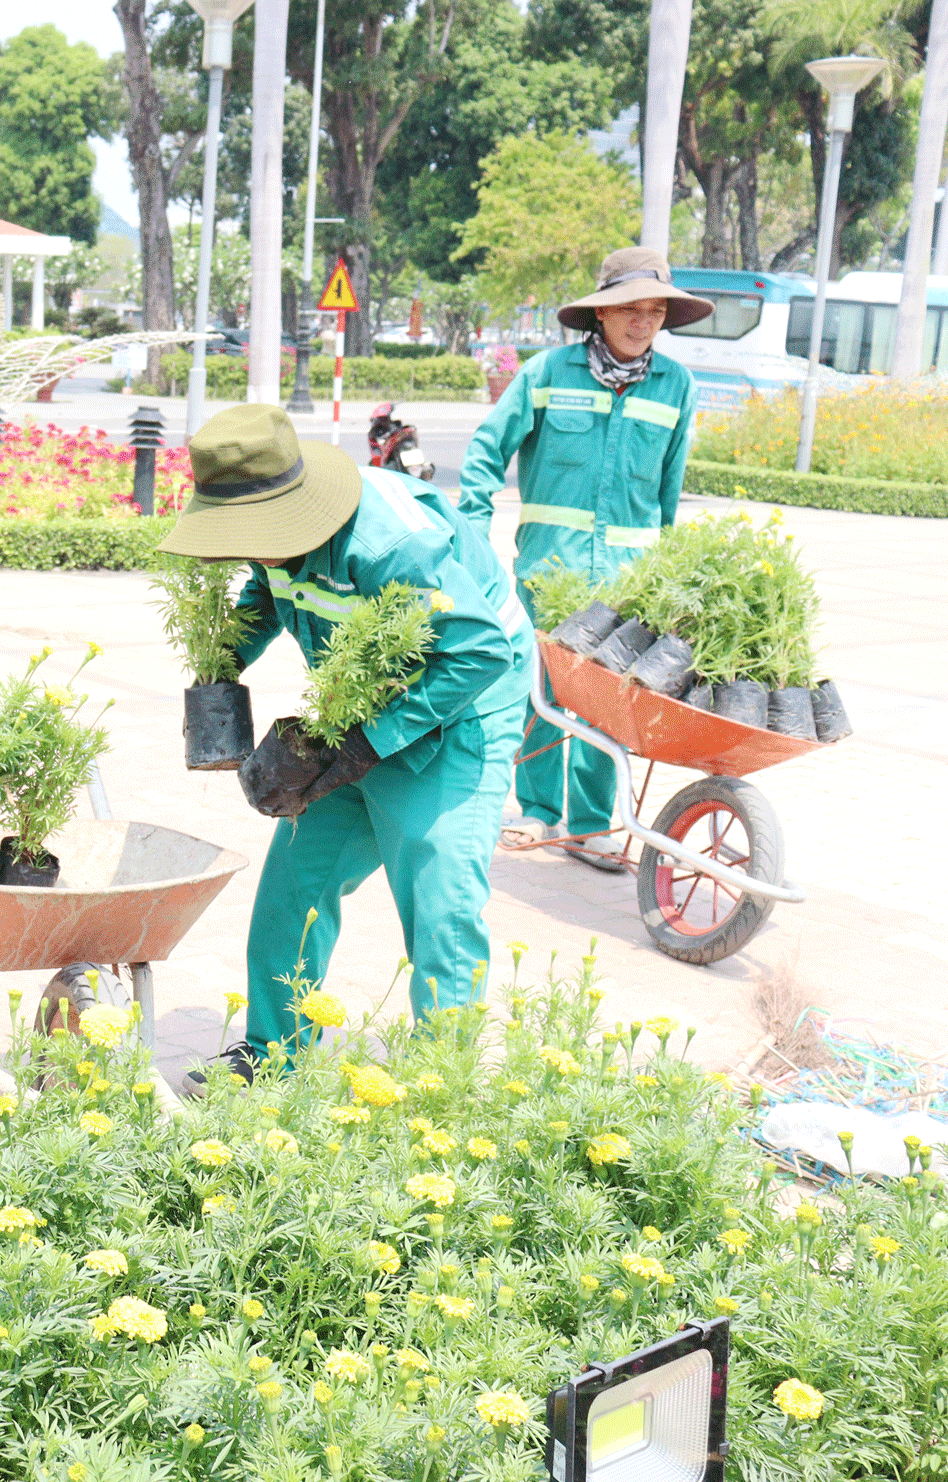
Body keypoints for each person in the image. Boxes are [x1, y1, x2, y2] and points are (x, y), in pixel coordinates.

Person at [163, 405, 531, 1078]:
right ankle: (274, 1054)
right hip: (356, 700)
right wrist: (221, 660)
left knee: (438, 886)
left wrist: (367, 745)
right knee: (294, 884)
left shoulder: (392, 544)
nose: (246, 545)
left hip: (464, 701)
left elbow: (481, 652)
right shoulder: (277, 540)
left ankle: (440, 1085)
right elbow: (270, 594)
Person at [457, 247, 705, 871]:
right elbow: (486, 451)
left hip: (629, 578)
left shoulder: (678, 387)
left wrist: (670, 574)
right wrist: (473, 536)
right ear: (601, 314)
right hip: (549, 568)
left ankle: (593, 825)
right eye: (629, 308)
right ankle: (538, 809)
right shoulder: (547, 375)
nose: (642, 322)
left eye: (655, 310)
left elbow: (668, 491)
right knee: (540, 692)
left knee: (608, 701)